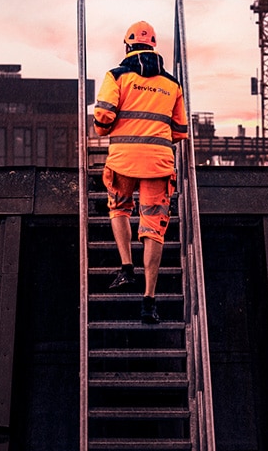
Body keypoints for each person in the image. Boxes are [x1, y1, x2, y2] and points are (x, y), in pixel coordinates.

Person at [93, 20, 188, 324]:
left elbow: (104, 114)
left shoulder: (116, 76)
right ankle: (149, 301)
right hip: (159, 162)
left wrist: (103, 128)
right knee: (153, 227)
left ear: (128, 46)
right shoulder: (173, 84)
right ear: (154, 47)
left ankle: (125, 267)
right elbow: (180, 130)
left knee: (119, 208)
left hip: (123, 159)